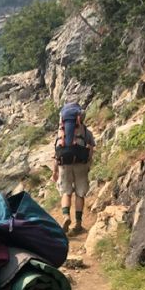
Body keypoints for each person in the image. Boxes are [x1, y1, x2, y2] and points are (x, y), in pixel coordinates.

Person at [52, 101, 95, 236]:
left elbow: (56, 153)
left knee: (66, 192)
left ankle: (66, 216)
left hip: (64, 164)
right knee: (80, 194)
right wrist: (88, 163)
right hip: (81, 164)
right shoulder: (85, 131)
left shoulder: (61, 133)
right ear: (80, 117)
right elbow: (91, 149)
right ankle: (78, 223)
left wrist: (55, 171)